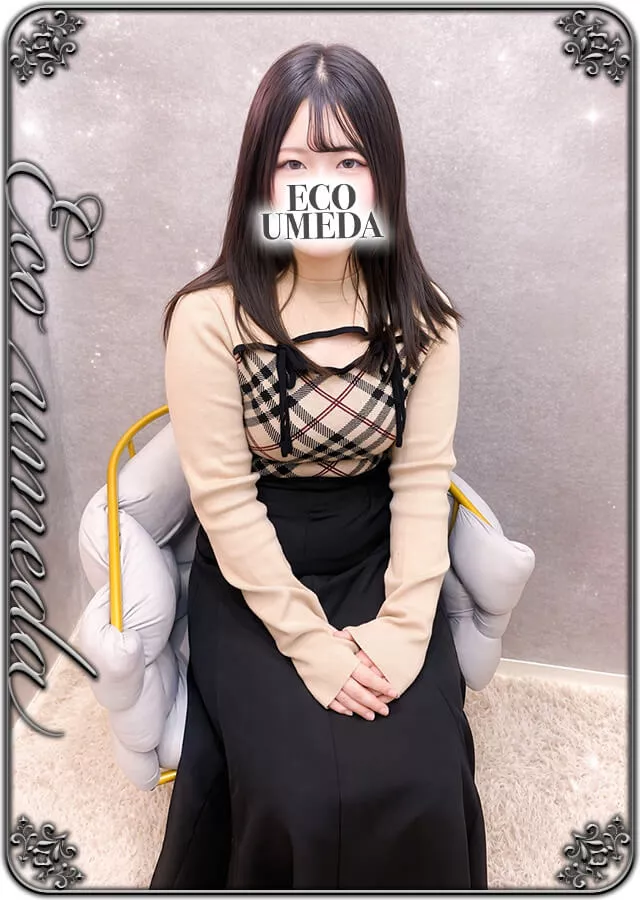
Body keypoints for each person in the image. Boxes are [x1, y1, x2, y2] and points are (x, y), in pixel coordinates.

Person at [149, 41, 488, 890]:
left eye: (347, 161)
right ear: (261, 179)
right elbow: (224, 503)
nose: (319, 188)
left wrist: (405, 630)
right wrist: (313, 648)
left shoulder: (430, 320)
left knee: (421, 776)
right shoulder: (207, 317)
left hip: (379, 557)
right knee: (301, 790)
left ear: (384, 176)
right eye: (293, 163)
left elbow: (422, 482)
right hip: (256, 574)